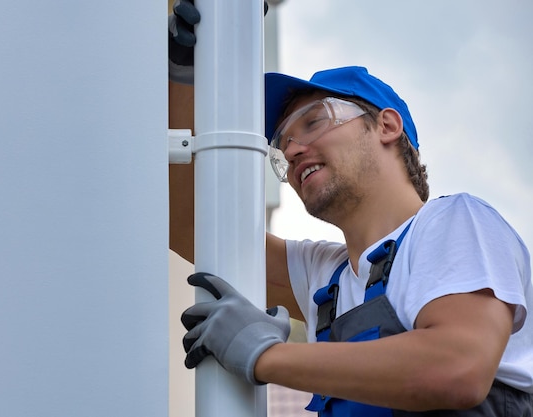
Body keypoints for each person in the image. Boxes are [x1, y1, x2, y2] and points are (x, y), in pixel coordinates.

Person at [168, 2, 533, 415]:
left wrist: (265, 355)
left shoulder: (455, 223)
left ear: (387, 126)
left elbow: (457, 367)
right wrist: (183, 74)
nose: (292, 150)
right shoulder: (328, 279)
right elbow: (188, 222)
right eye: (283, 142)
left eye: (313, 121)